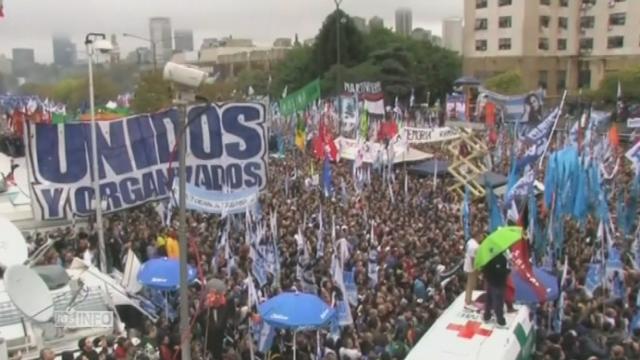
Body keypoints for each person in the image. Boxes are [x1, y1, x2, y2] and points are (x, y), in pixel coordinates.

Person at [482, 251, 510, 327]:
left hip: (490, 282)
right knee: (498, 301)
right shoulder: (501, 258)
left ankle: (487, 315)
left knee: (489, 300)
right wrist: (508, 271)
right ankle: (500, 319)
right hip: (498, 283)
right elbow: (500, 271)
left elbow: (484, 269)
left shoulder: (487, 257)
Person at [464, 235, 480, 309]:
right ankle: (468, 301)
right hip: (471, 266)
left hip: (468, 264)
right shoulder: (475, 246)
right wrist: (476, 269)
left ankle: (468, 299)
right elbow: (473, 259)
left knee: (469, 284)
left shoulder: (470, 241)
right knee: (470, 284)